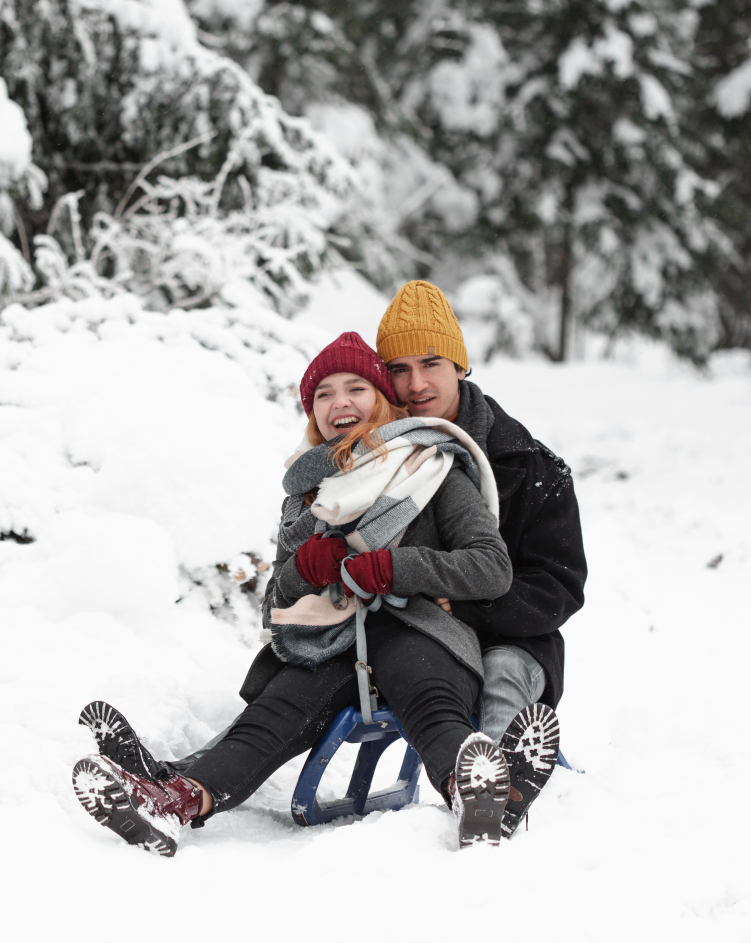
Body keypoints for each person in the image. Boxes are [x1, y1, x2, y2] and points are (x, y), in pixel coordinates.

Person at [73, 333, 516, 855]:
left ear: (382, 398)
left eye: (356, 388)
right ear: (312, 412)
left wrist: (393, 567)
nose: (340, 403)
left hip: (421, 630)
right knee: (274, 714)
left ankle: (474, 795)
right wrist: (305, 569)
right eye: (324, 394)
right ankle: (174, 802)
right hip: (332, 642)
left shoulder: (430, 465)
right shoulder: (307, 492)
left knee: (428, 698)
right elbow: (276, 609)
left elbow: (492, 567)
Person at [375, 280, 586, 833]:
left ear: (460, 365)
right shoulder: (373, 456)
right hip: (410, 635)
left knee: (503, 671)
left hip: (510, 634)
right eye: (398, 368)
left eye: (431, 363)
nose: (415, 384)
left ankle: (491, 794)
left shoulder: (531, 465)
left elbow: (559, 586)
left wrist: (467, 607)